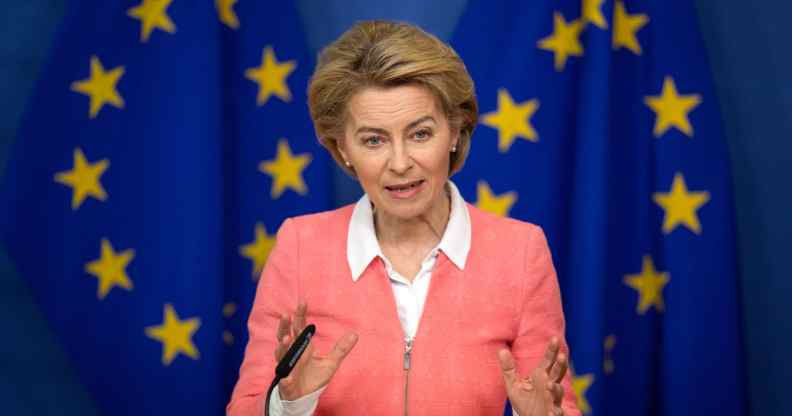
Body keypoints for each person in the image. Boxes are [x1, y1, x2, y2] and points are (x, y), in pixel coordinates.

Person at [227, 20, 580, 416]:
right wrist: (288, 403)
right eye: (373, 140)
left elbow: (553, 402)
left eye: (420, 134)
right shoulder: (299, 247)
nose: (399, 163)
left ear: (455, 131)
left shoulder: (521, 252)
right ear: (342, 147)